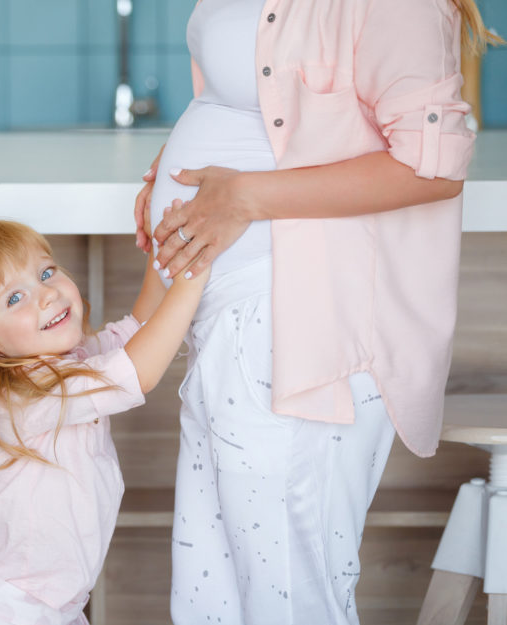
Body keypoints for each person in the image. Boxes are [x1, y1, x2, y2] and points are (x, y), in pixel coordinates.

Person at [131, 0, 501, 623]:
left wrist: (241, 196)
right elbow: (253, 99)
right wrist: (175, 172)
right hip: (227, 317)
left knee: (290, 600)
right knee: (213, 597)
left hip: (301, 324)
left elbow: (433, 164)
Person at [0, 219, 208, 625]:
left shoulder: (68, 363)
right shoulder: (23, 394)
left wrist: (163, 254)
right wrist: (194, 278)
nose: (47, 294)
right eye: (15, 298)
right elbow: (139, 371)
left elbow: (135, 334)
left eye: (46, 272)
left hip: (50, 610)